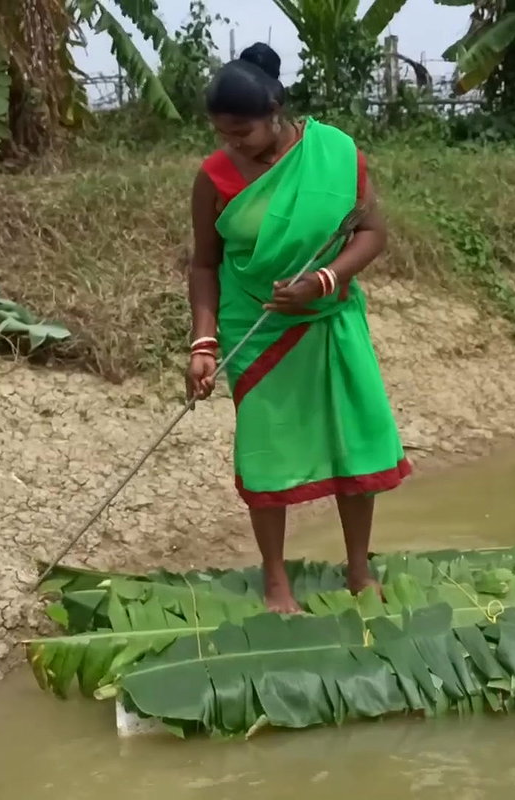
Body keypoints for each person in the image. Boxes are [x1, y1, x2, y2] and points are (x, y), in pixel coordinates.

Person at [184, 42, 412, 613]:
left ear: (275, 112)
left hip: (329, 319)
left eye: (242, 132)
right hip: (256, 328)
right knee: (266, 449)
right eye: (222, 133)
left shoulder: (336, 154)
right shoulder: (214, 176)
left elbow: (372, 233)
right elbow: (204, 264)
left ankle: (358, 569)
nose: (232, 143)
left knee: (351, 441)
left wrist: (325, 280)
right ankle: (276, 581)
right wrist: (203, 343)